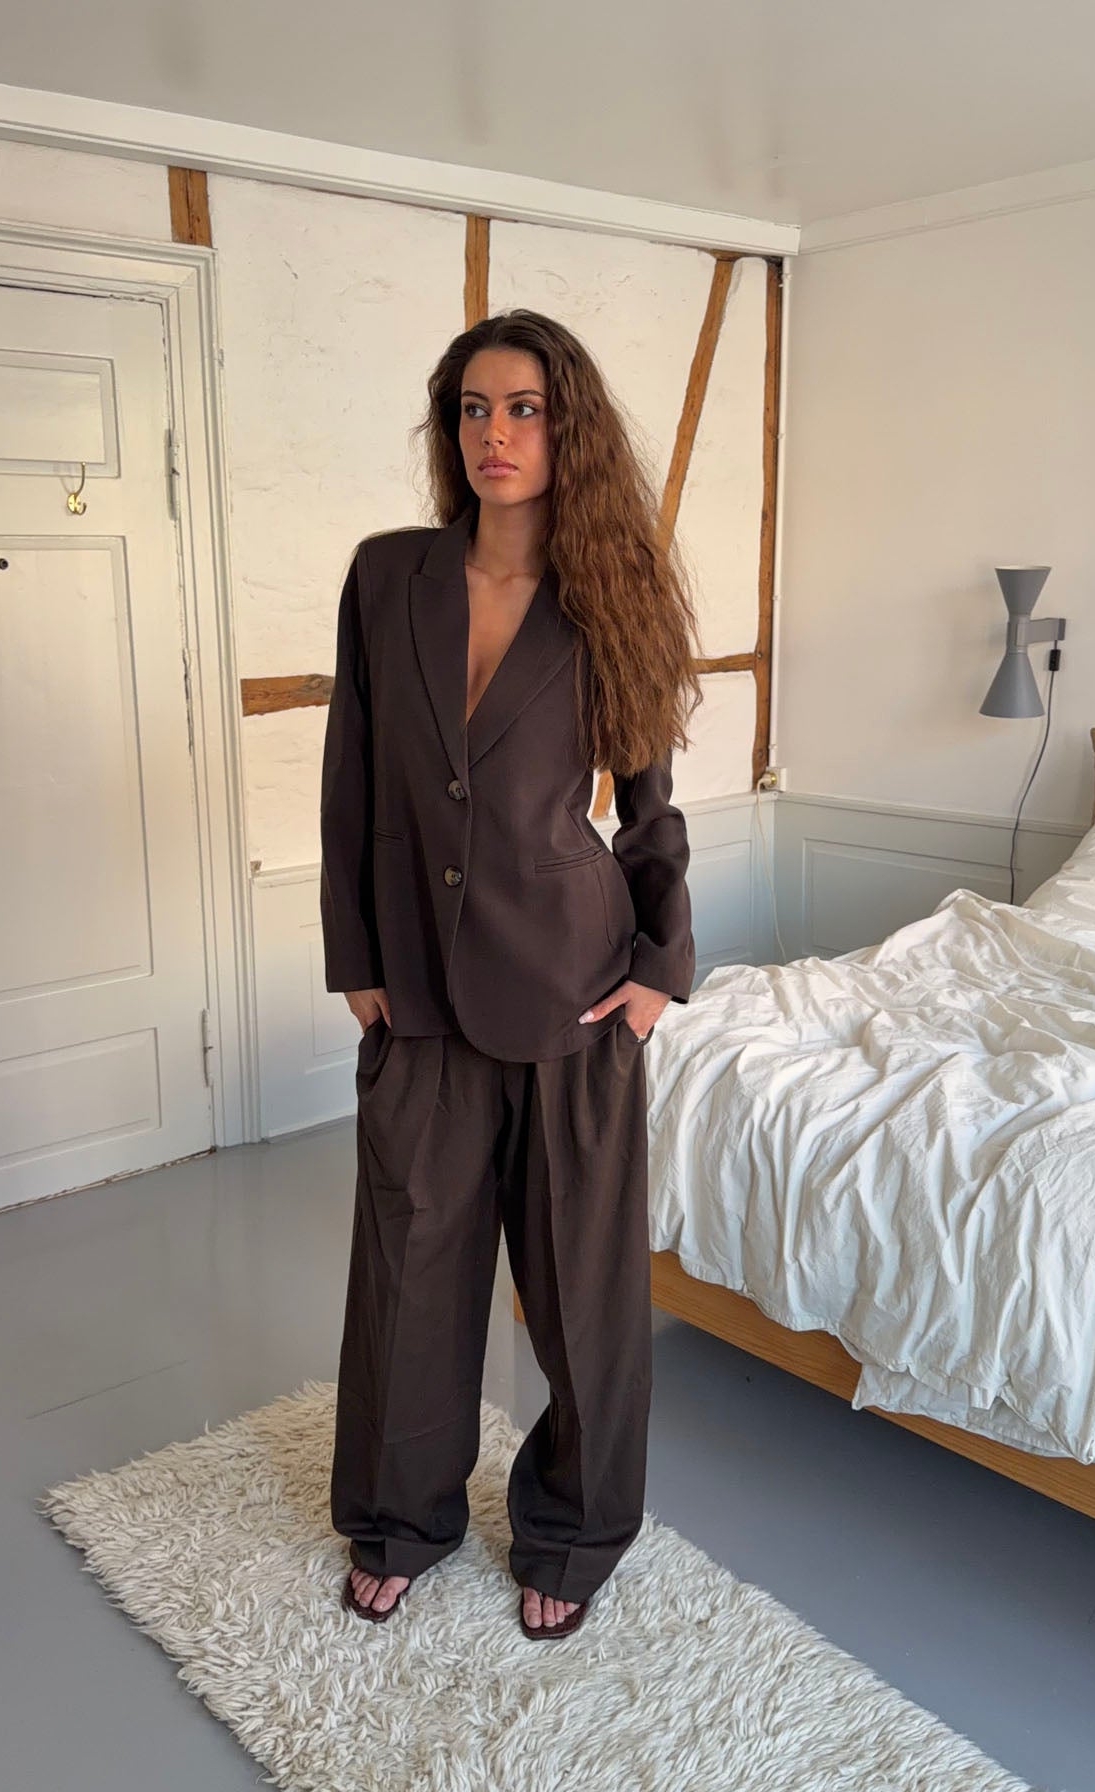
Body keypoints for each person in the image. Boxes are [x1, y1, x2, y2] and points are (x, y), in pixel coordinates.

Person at [320, 307, 701, 1640]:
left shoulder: (614, 594)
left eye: (524, 408)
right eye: (474, 408)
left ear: (565, 427)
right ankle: (400, 1517)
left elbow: (647, 808)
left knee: (582, 1296)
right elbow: (354, 776)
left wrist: (658, 967)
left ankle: (574, 1531)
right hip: (416, 990)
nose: (496, 433)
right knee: (409, 1273)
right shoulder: (388, 576)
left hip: (572, 989)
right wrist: (355, 953)